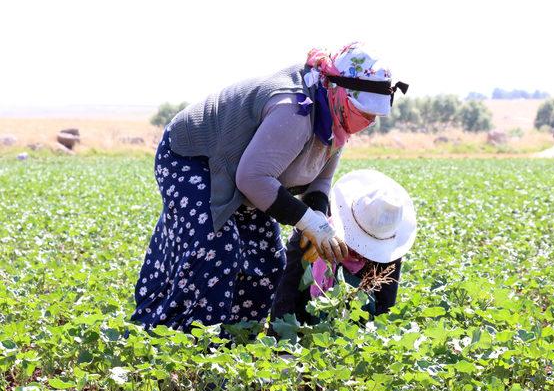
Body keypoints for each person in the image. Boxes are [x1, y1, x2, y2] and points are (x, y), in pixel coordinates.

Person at [131, 43, 409, 331]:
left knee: (268, 262)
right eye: (365, 111)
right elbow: (252, 179)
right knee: (215, 250)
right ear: (339, 93)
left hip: (248, 176)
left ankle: (235, 343)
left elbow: (320, 181)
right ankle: (180, 340)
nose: (371, 120)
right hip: (195, 159)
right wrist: (309, 222)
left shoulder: (335, 121)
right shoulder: (295, 110)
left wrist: (316, 224)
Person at [269, 169, 417, 326]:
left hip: (355, 331)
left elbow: (385, 307)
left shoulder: (389, 250)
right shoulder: (313, 231)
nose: (361, 251)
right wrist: (283, 342)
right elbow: (287, 293)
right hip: (307, 324)